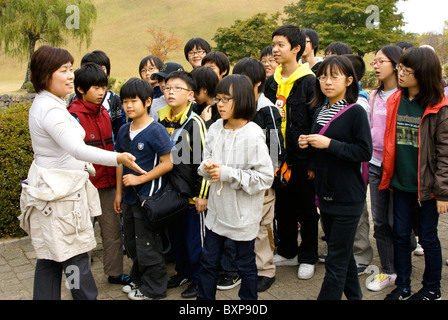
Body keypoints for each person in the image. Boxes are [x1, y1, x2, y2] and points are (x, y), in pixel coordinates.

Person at [18, 45, 144, 300]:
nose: (70, 75)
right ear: (45, 74)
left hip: (53, 193)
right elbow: (76, 149)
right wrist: (117, 157)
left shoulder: (49, 104)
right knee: (74, 259)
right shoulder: (51, 109)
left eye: (69, 69)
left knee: (50, 258)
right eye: (63, 70)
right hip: (60, 198)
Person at [298, 55, 372, 300]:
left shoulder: (356, 113)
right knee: (343, 255)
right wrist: (307, 142)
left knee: (335, 262)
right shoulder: (320, 110)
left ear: (349, 80)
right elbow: (319, 147)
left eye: (334, 76)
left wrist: (329, 143)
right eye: (322, 76)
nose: (327, 82)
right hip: (325, 193)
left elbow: (363, 151)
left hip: (347, 196)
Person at [197, 74, 274, 300]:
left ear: (240, 99)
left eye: (225, 99)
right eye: (217, 98)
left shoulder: (253, 134)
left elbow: (265, 177)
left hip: (242, 215)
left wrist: (227, 173)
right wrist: (207, 166)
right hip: (217, 211)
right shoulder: (214, 129)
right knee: (209, 262)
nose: (219, 104)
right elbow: (204, 163)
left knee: (245, 265)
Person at [380, 47, 448, 300]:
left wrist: (443, 193)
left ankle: (432, 288)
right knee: (399, 235)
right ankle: (404, 286)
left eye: (407, 70)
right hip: (400, 184)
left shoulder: (439, 107)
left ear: (423, 74)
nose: (401, 73)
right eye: (400, 68)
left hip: (427, 189)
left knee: (429, 239)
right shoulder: (396, 100)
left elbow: (445, 154)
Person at [67, 63, 131, 287]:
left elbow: (112, 149)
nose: (101, 92)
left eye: (103, 87)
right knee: (80, 236)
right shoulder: (72, 117)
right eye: (95, 87)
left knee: (112, 230)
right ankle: (79, 283)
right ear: (81, 89)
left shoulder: (104, 113)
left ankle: (115, 273)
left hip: (107, 183)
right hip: (83, 186)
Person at [264, 24, 319, 280]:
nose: (275, 50)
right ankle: (288, 251)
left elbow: (315, 120)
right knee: (282, 206)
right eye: (274, 44)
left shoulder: (310, 82)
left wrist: (312, 163)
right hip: (277, 157)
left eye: (280, 45)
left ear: (296, 49)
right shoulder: (270, 83)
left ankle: (308, 255)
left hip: (302, 157)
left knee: (307, 208)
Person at [113, 78, 174, 300]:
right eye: (125, 101)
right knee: (131, 241)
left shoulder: (156, 130)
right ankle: (138, 279)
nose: (129, 106)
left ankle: (154, 289)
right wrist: (119, 193)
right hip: (129, 198)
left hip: (149, 198)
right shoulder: (123, 131)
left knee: (147, 243)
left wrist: (140, 179)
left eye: (134, 101)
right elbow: (120, 163)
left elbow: (168, 164)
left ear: (147, 102)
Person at [233, 57, 286, 292]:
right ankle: (246, 267)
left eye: (244, 79)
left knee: (263, 226)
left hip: (261, 181)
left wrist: (267, 180)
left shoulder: (267, 109)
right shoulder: (236, 109)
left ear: (257, 82)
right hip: (239, 179)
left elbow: (276, 150)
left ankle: (265, 270)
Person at [158, 70, 209, 298]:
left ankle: (200, 280)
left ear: (190, 95)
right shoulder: (161, 119)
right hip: (170, 195)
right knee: (177, 240)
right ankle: (183, 273)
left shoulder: (194, 123)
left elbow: (202, 161)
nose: (171, 92)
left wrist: (202, 195)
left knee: (195, 243)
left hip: (191, 196)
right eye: (168, 87)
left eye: (177, 88)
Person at [365, 45, 402, 292]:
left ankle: (403, 263)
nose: (376, 65)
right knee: (380, 221)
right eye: (374, 61)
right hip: (376, 164)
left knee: (399, 220)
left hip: (399, 167)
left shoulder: (406, 95)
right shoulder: (374, 96)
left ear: (396, 64)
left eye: (381, 61)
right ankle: (388, 270)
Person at [344, 54, 373, 274]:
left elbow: (363, 148)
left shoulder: (359, 103)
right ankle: (345, 252)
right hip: (337, 169)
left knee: (358, 209)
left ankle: (361, 254)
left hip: (354, 167)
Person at [79, 50, 126, 140]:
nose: (97, 72)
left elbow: (120, 129)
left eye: (102, 68)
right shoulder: (76, 99)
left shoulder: (114, 99)